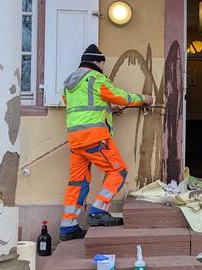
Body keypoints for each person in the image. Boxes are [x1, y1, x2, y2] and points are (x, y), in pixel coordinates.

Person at [59, 44, 152, 241]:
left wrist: (108, 110)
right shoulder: (96, 78)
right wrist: (144, 98)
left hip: (76, 140)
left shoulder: (69, 84)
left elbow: (82, 108)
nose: (104, 68)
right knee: (118, 172)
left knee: (78, 182)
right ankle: (98, 211)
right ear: (97, 62)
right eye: (103, 64)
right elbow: (121, 96)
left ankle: (68, 227)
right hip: (94, 138)